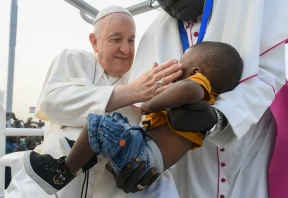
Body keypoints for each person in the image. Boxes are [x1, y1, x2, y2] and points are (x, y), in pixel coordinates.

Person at [109, 0, 288, 197]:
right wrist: (136, 161)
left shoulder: (250, 6)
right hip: (191, 169)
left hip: (247, 155)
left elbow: (267, 75)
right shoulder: (153, 35)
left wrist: (220, 117)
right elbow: (141, 112)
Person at [6, 6, 183, 198]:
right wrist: (130, 92)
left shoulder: (142, 76)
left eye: (131, 40)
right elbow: (54, 103)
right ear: (94, 42)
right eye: (116, 39)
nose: (126, 49)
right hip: (48, 190)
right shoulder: (75, 59)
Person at [23, 41, 243, 195]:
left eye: (182, 65)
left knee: (97, 124)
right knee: (116, 125)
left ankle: (60, 172)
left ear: (196, 71)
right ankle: (87, 156)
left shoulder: (197, 88)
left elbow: (190, 90)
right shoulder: (200, 100)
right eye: (116, 38)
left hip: (143, 157)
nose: (177, 68)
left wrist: (152, 102)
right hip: (146, 157)